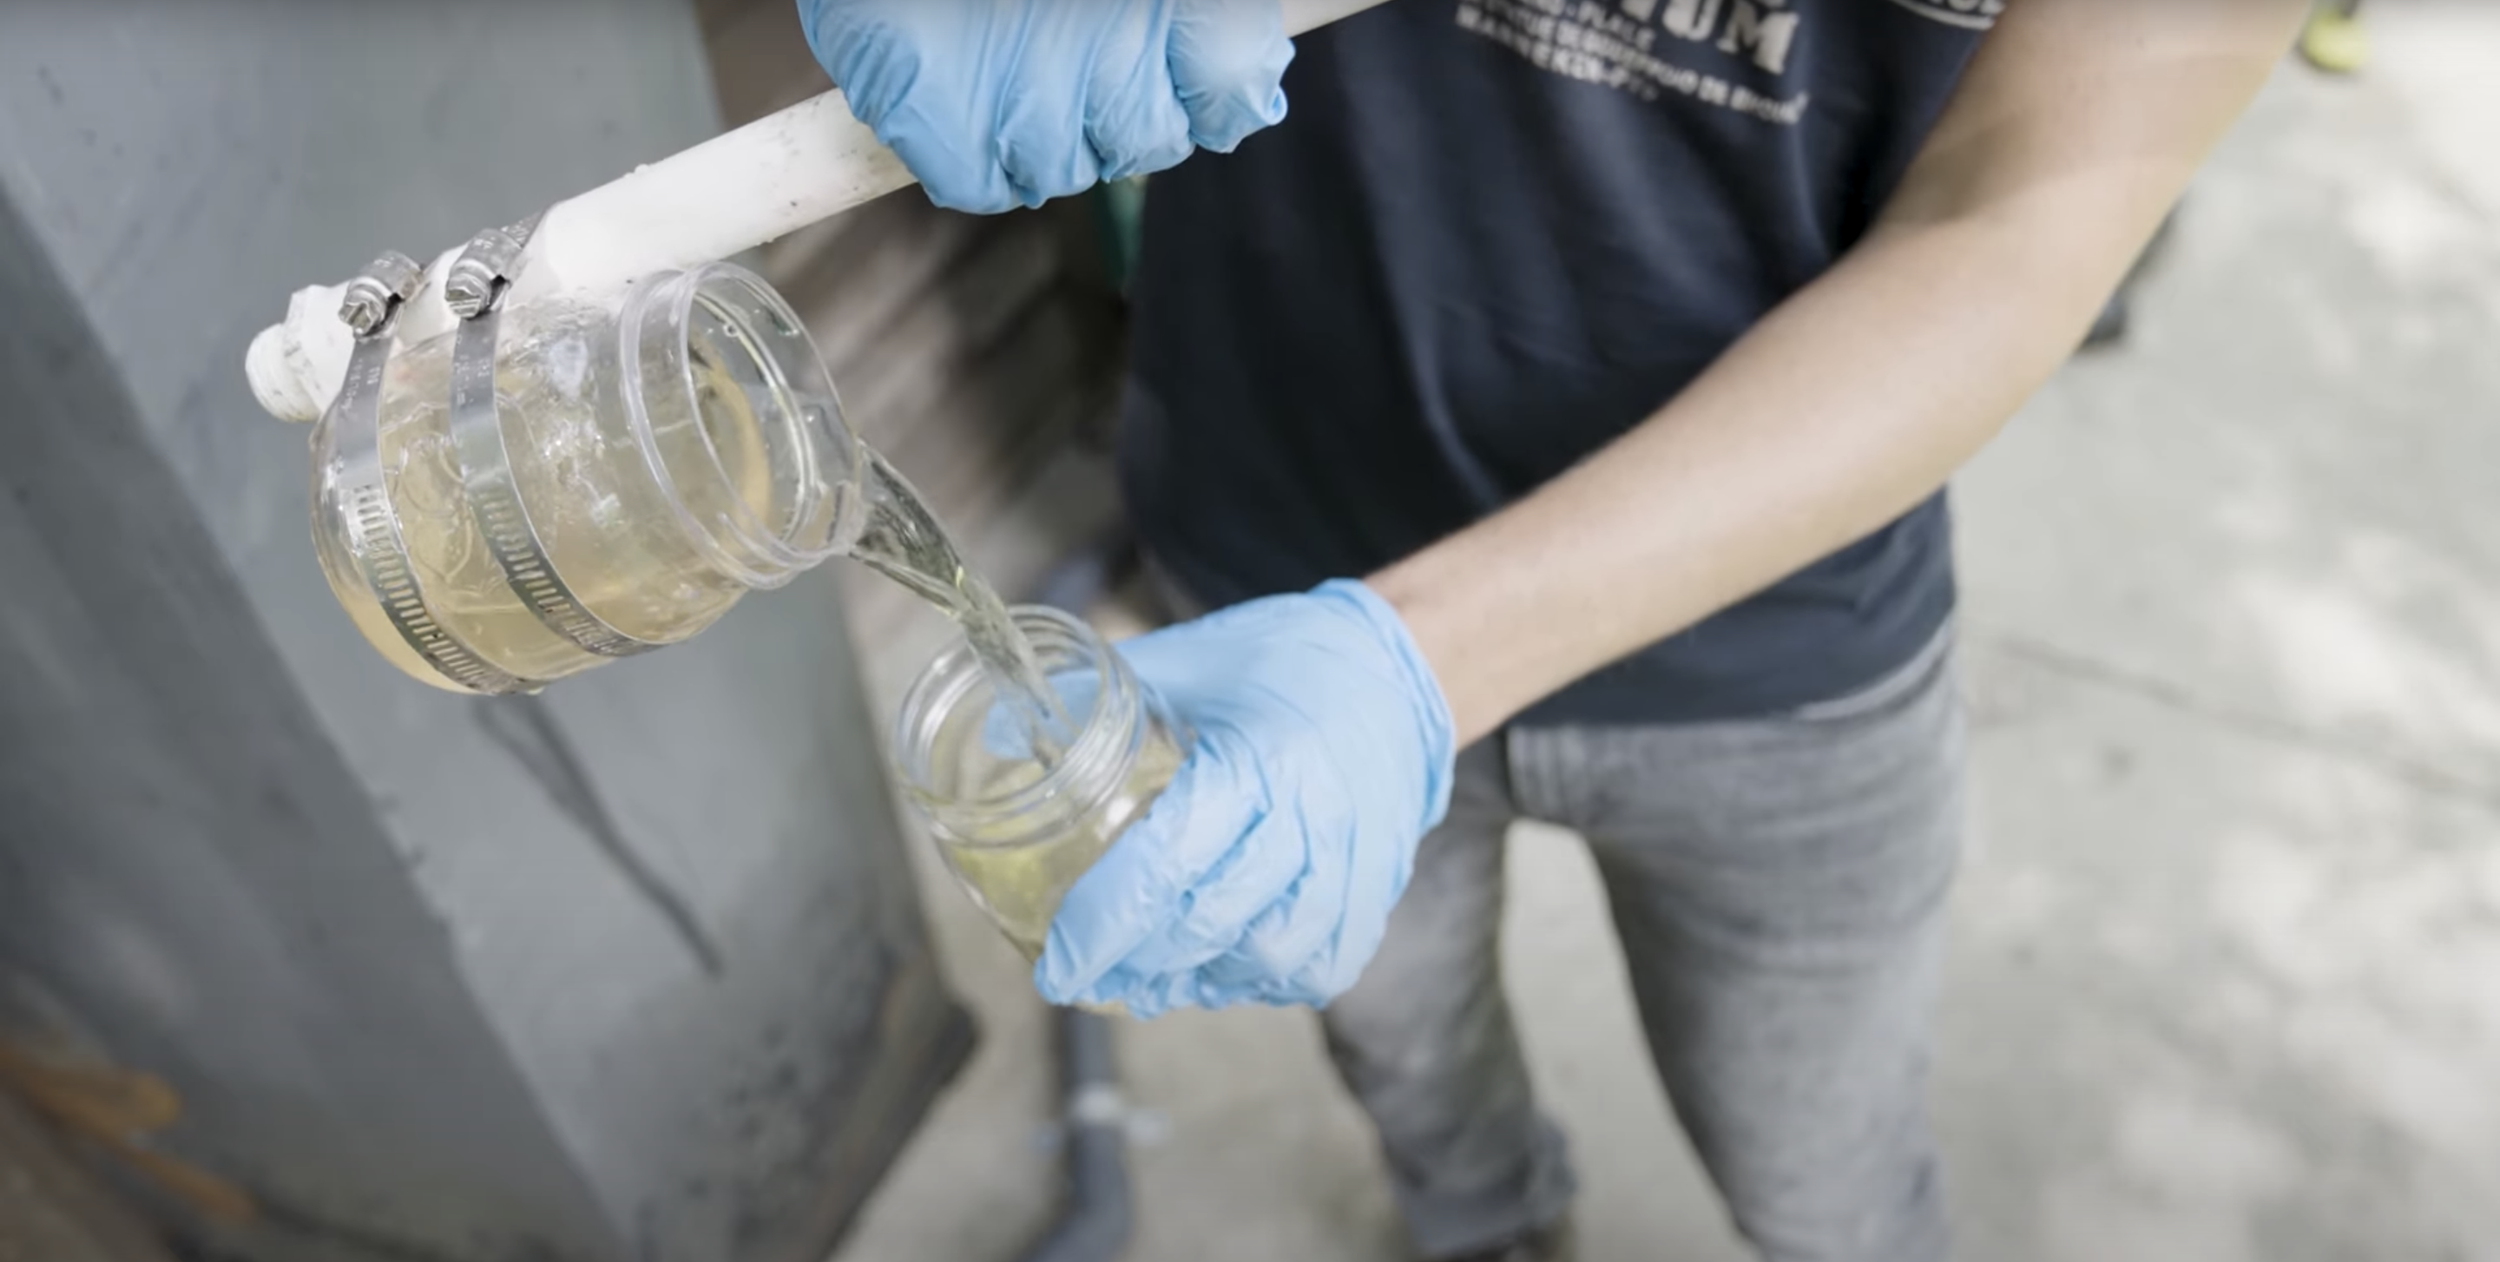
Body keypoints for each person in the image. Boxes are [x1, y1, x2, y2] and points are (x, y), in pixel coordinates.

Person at [801, 3, 2304, 1259]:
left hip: (1778, 647)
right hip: (1270, 540)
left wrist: (1416, 657)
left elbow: (2019, 218)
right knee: (1412, 1072)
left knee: (1825, 1167)